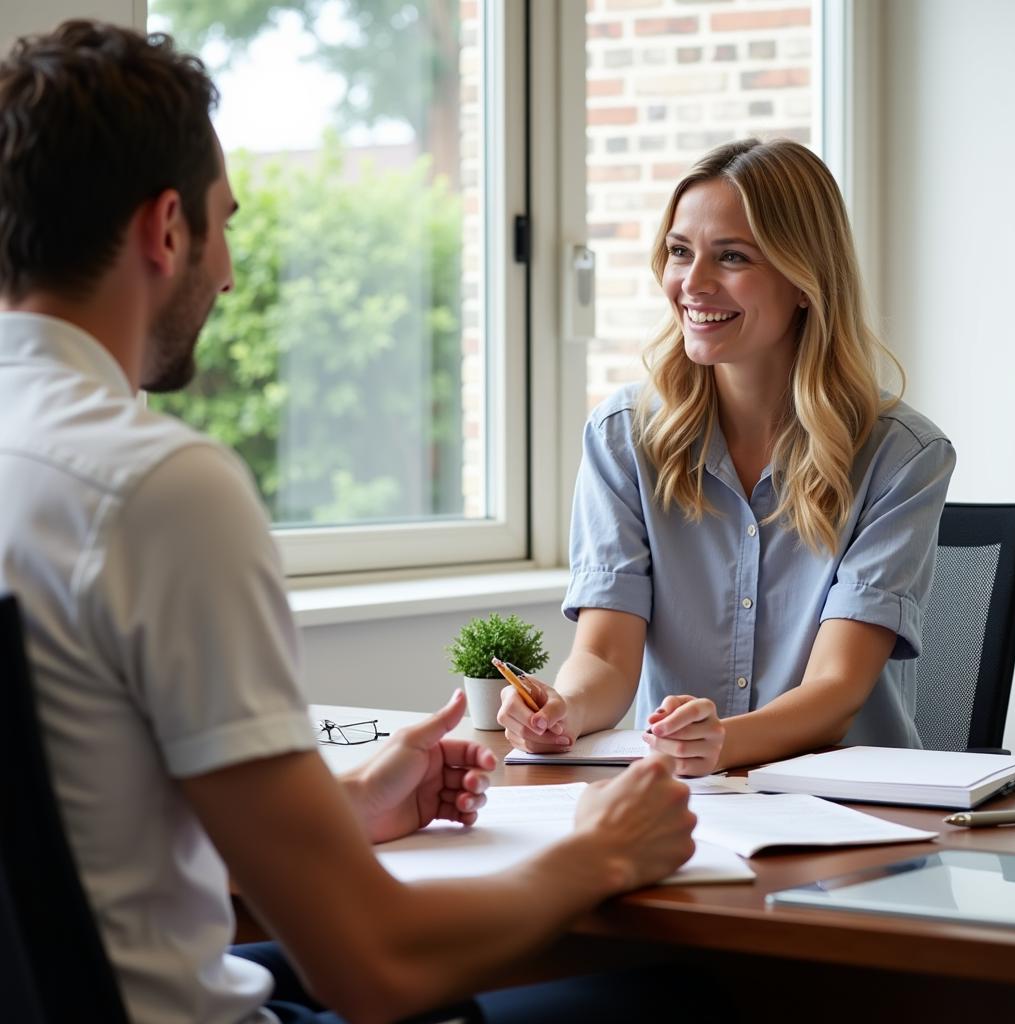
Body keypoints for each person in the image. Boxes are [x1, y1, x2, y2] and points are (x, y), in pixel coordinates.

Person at [0, 20, 699, 1024]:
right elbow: (376, 965)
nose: (231, 270)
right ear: (165, 229)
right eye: (222, 224)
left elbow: (88, 824)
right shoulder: (154, 488)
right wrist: (601, 851)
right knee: (676, 1001)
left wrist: (356, 803)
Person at [499, 138, 956, 776]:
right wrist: (562, 708)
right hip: (684, 808)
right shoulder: (623, 436)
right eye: (680, 252)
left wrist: (723, 744)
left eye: (732, 256)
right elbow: (604, 659)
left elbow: (835, 690)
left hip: (852, 810)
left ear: (806, 281)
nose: (693, 283)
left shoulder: (903, 457)